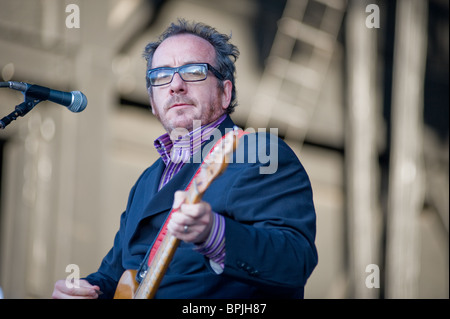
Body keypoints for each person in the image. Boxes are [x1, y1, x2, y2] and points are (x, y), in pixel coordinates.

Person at [52, 19, 318, 299]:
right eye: (161, 76)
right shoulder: (147, 180)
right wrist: (85, 290)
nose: (176, 85)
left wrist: (216, 234)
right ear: (153, 103)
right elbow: (117, 273)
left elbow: (295, 260)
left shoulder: (260, 153)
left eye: (193, 71)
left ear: (225, 92)